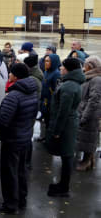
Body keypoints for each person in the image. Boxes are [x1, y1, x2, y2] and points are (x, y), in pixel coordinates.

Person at [0, 63, 38, 214]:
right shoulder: (32, 91)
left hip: (12, 141)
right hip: (25, 138)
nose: (9, 75)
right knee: (21, 171)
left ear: (16, 76)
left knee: (9, 173)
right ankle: (21, 200)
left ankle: (10, 204)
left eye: (11, 73)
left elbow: (2, 121)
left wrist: (0, 135)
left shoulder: (13, 96)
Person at [46, 58, 84, 197]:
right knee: (66, 155)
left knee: (67, 156)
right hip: (69, 123)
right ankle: (63, 185)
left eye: (63, 67)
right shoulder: (71, 83)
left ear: (68, 69)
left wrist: (56, 131)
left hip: (66, 125)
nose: (61, 69)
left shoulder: (69, 86)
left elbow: (63, 111)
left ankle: (64, 187)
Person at [76, 56, 101, 171]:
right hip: (85, 111)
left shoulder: (96, 79)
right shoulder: (90, 77)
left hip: (91, 114)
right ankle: (88, 160)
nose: (83, 67)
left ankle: (86, 161)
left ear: (90, 66)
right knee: (85, 137)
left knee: (89, 138)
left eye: (85, 64)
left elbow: (94, 100)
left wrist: (85, 116)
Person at [38, 54, 61, 142]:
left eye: (48, 61)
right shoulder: (46, 71)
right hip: (44, 101)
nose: (45, 63)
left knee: (50, 121)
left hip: (51, 102)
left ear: (53, 62)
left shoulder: (56, 74)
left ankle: (49, 139)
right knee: (46, 120)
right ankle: (45, 136)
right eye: (45, 61)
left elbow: (56, 90)